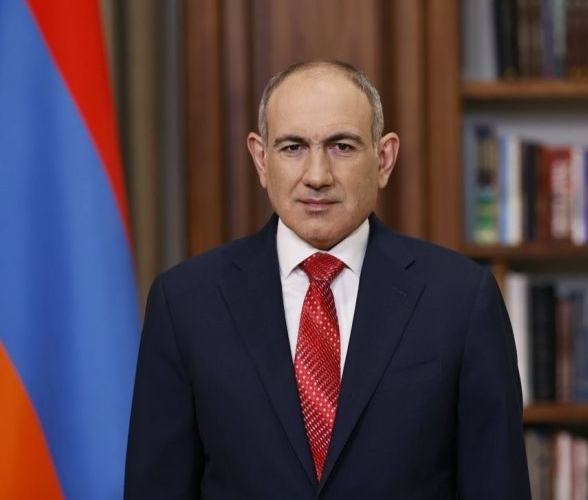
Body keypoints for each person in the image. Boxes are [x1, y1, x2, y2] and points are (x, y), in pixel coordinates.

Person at [124, 59, 530, 499]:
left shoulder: (462, 299)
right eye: (293, 147)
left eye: (342, 146)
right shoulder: (185, 303)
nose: (317, 176)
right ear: (261, 160)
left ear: (384, 159)